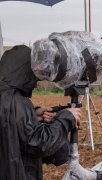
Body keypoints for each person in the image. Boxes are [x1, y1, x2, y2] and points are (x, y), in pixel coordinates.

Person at [0, 45, 82, 180]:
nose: (35, 84)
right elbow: (39, 144)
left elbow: (11, 128)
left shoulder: (6, 98)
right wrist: (66, 117)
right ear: (25, 73)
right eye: (34, 77)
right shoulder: (16, 101)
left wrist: (33, 115)